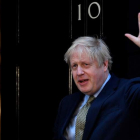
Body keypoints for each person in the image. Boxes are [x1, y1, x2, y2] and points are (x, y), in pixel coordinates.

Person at [53, 13, 140, 140]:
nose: (79, 72)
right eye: (74, 66)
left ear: (104, 65)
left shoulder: (127, 93)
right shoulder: (66, 103)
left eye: (85, 64)